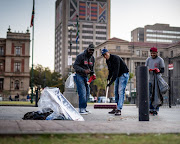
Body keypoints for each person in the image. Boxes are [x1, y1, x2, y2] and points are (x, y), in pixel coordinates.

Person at [101, 48, 129, 116]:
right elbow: (111, 71)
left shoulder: (115, 58)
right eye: (103, 55)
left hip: (123, 74)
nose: (105, 56)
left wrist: (110, 83)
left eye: (105, 54)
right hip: (117, 76)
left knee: (120, 91)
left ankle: (119, 109)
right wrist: (108, 78)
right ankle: (115, 107)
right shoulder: (107, 61)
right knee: (115, 92)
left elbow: (116, 72)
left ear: (108, 52)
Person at [73, 44, 95, 115]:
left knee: (87, 92)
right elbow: (75, 66)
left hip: (86, 77)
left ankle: (84, 108)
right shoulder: (80, 56)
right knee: (82, 92)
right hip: (79, 76)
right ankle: (81, 109)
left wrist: (92, 74)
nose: (91, 52)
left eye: (93, 50)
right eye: (90, 50)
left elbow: (92, 68)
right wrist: (83, 70)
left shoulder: (92, 58)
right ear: (87, 49)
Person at [145, 47, 165, 115]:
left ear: (157, 53)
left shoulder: (160, 60)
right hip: (150, 80)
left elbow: (162, 70)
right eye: (151, 53)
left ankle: (155, 109)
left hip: (157, 80)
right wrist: (148, 70)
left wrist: (158, 71)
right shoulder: (148, 59)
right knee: (149, 95)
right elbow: (145, 68)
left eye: (154, 53)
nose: (152, 54)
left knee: (156, 95)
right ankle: (150, 109)